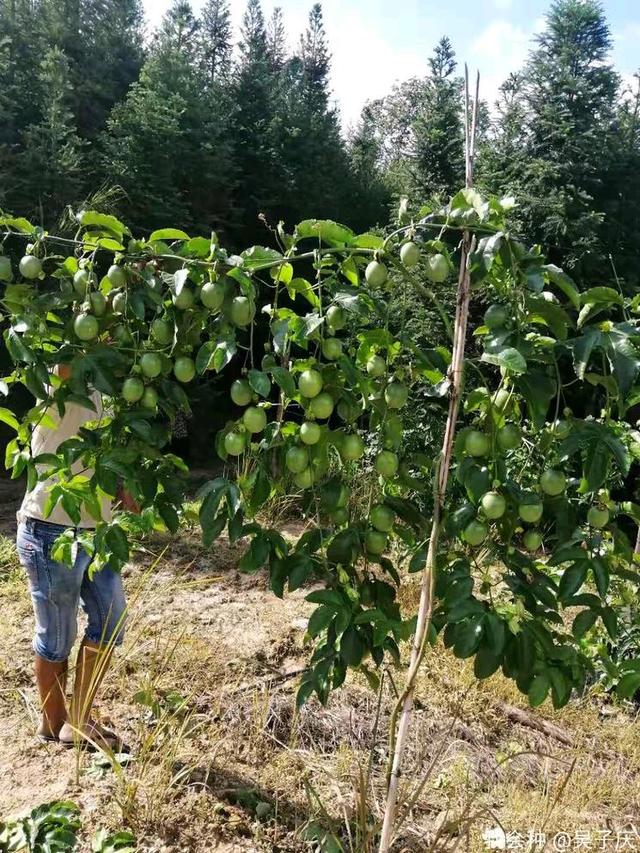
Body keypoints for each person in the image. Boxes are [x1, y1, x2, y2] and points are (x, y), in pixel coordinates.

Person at [15, 365, 136, 750]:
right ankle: (53, 723)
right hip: (50, 527)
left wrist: (120, 486)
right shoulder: (60, 368)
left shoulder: (111, 385)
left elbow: (104, 446)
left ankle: (79, 720)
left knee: (111, 618)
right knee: (57, 637)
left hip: (98, 530)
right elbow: (70, 357)